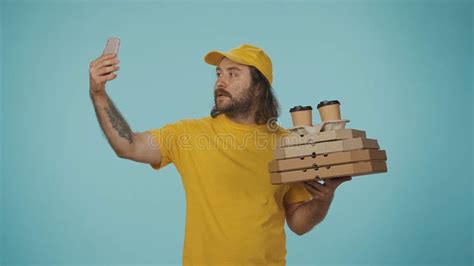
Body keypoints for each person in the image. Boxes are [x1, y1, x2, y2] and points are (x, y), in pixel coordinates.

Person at [89, 43, 351, 265]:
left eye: (233, 74)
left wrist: (323, 198)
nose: (220, 82)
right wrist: (98, 93)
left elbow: (298, 223)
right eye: (219, 74)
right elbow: (129, 145)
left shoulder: (288, 143)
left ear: (259, 87)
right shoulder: (189, 134)